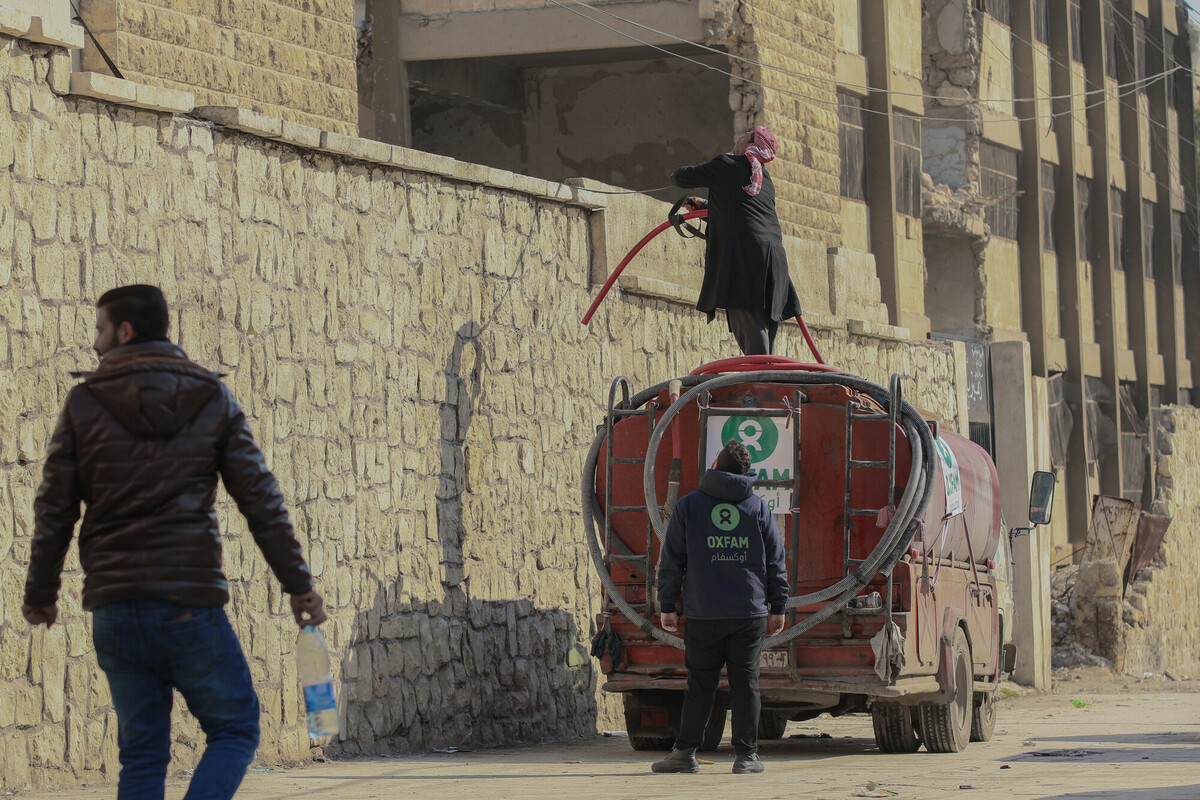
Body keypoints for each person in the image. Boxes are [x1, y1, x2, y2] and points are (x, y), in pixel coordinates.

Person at [22, 285, 327, 800]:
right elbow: (261, 501)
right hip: (189, 606)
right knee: (234, 728)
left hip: (115, 608)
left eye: (99, 329)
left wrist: (41, 595)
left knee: (141, 753)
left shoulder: (84, 403)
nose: (94, 344)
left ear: (125, 330)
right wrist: (298, 586)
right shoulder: (210, 395)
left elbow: (55, 511)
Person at [652, 439, 790, 775]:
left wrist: (668, 603)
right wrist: (779, 605)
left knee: (701, 684)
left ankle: (685, 753)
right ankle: (747, 757)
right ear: (746, 473)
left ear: (716, 465)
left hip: (703, 614)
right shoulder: (758, 508)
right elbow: (775, 561)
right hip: (749, 613)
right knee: (746, 683)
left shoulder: (688, 507)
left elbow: (671, 560)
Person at [671, 126, 802, 356]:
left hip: (746, 264)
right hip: (774, 265)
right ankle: (766, 385)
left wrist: (677, 175)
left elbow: (683, 176)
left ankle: (765, 390)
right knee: (763, 346)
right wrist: (705, 207)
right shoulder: (764, 180)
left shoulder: (727, 165)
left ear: (751, 143)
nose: (739, 138)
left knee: (757, 355)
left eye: (745, 135)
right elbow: (743, 212)